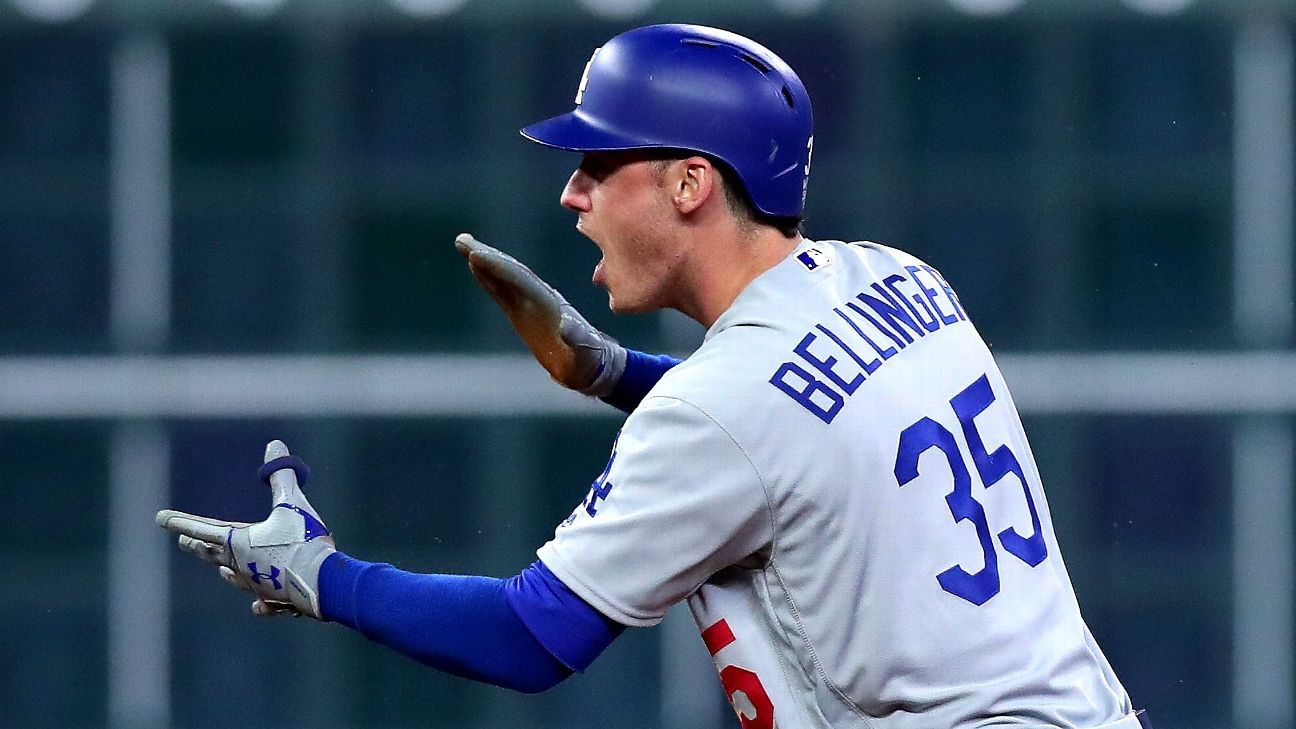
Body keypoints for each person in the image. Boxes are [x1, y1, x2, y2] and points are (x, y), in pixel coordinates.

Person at [157, 24, 1151, 728]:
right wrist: (617, 373)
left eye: (600, 162)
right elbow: (807, 424)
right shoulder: (895, 278)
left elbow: (525, 639)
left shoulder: (723, 406)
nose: (571, 192)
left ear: (690, 183)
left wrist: (324, 579)